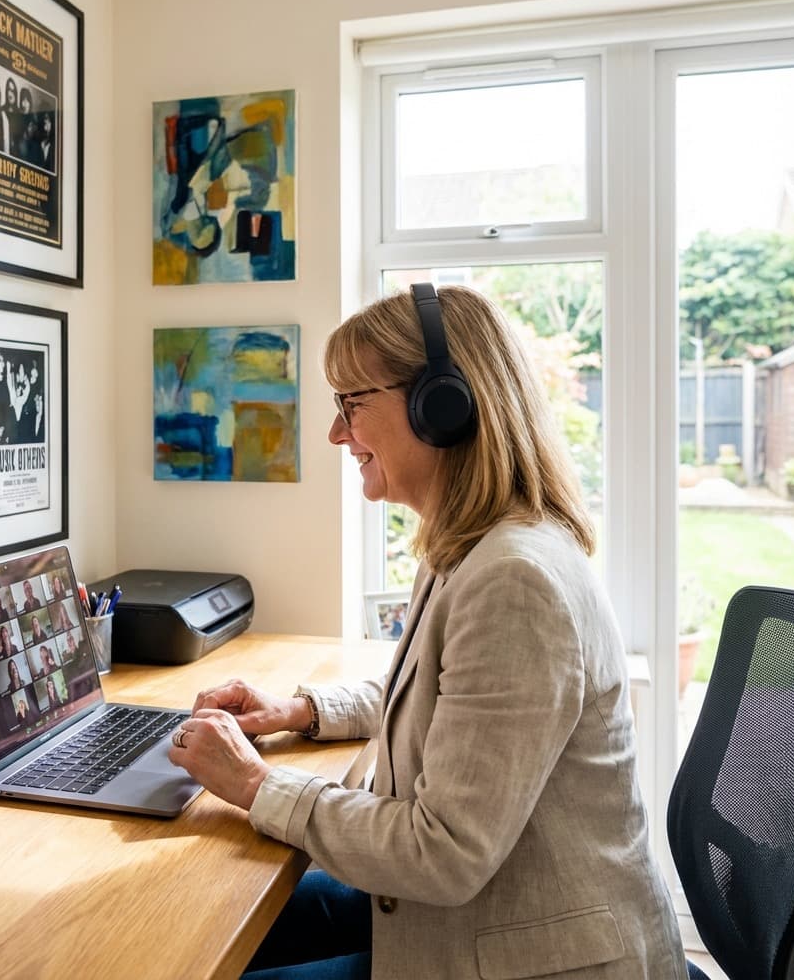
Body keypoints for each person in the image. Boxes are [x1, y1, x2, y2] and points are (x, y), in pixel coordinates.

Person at [167, 285, 687, 979]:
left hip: (534, 952)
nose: (335, 434)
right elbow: (438, 693)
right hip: (487, 911)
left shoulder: (515, 581)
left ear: (442, 407)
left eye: (351, 405)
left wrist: (257, 784)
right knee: (215, 909)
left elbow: (442, 853)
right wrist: (302, 711)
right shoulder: (472, 545)